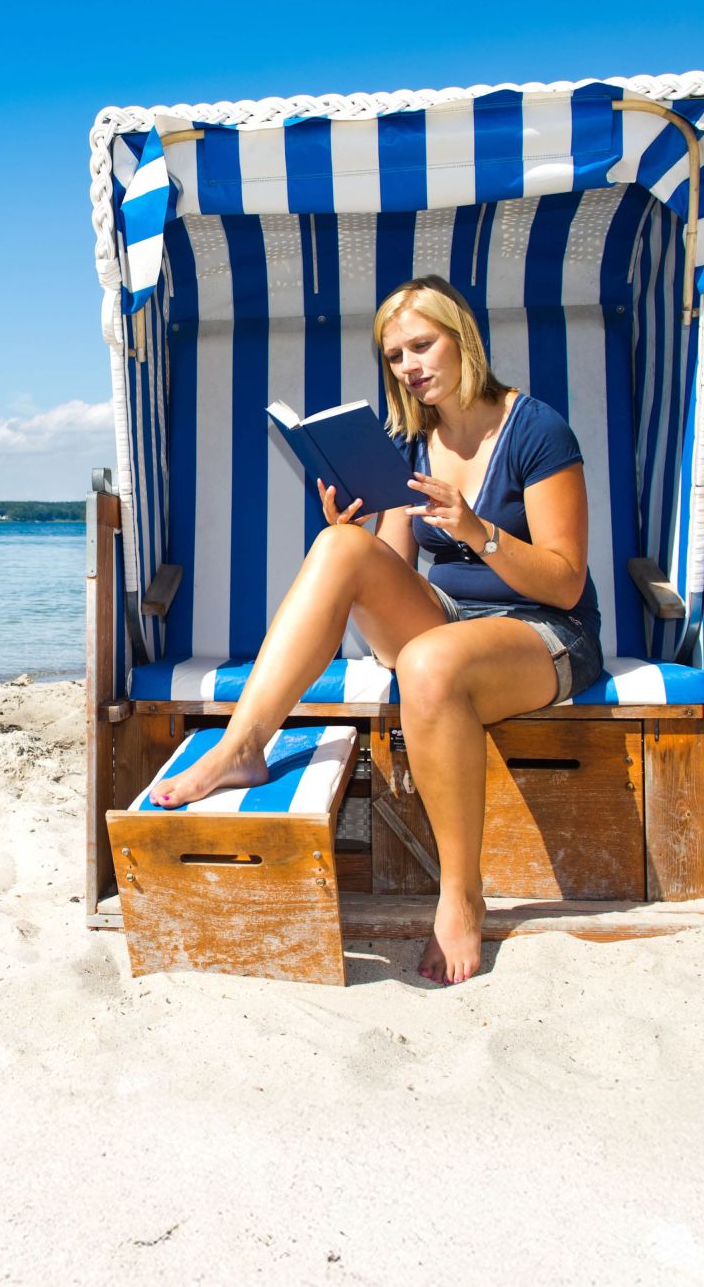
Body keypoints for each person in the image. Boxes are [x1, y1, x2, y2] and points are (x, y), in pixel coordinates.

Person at [146, 275, 605, 984]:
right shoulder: (414, 441)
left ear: (463, 339)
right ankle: (243, 745)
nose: (410, 366)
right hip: (447, 621)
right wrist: (350, 536)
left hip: (543, 631)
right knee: (340, 550)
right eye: (394, 356)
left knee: (428, 665)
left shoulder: (537, 428)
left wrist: (478, 530)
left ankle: (461, 894)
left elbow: (566, 577)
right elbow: (392, 568)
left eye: (422, 345)